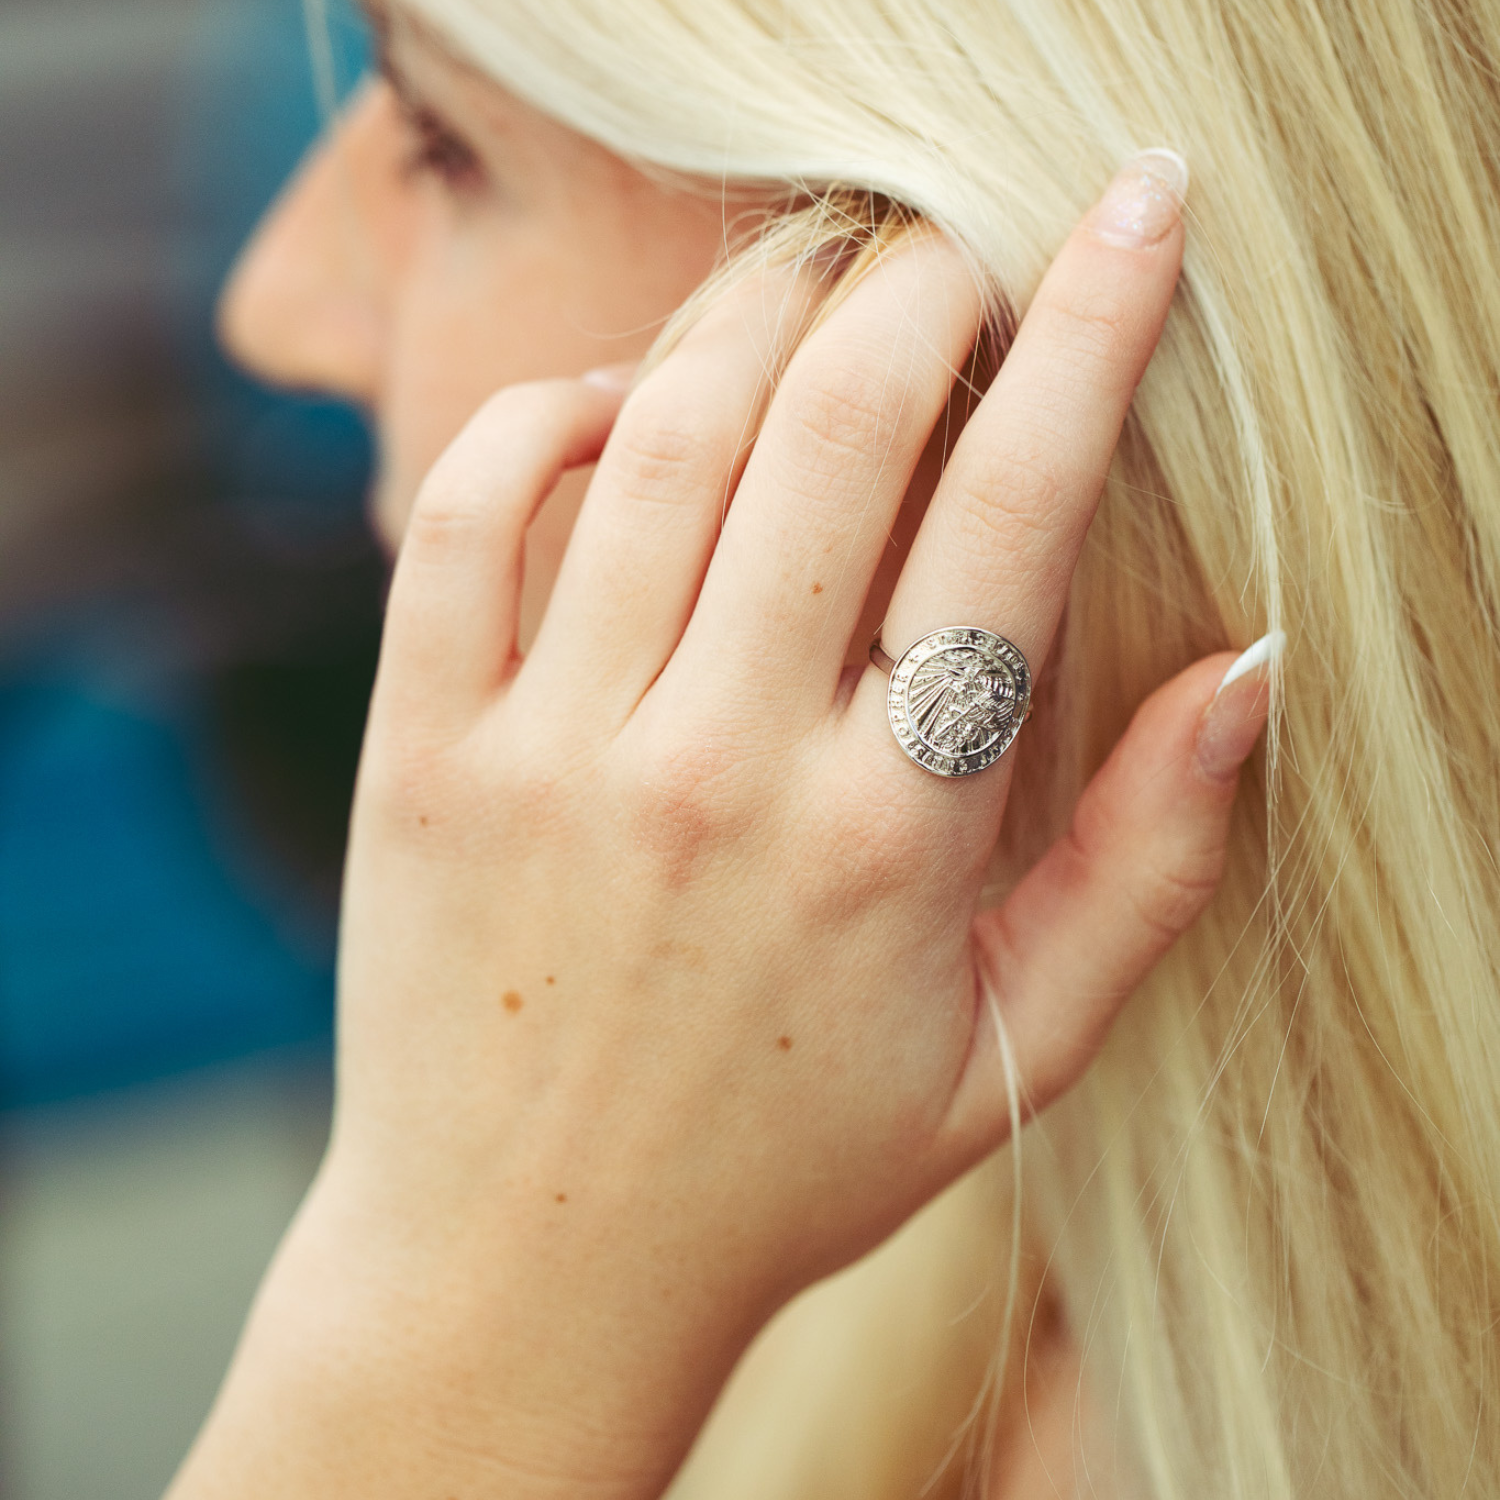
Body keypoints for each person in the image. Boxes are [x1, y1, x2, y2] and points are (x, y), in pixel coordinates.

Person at [166, 0, 1500, 1495]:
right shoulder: (891, 1211)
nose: (276, 302)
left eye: (444, 143)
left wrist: (455, 1338)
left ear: (984, 350)